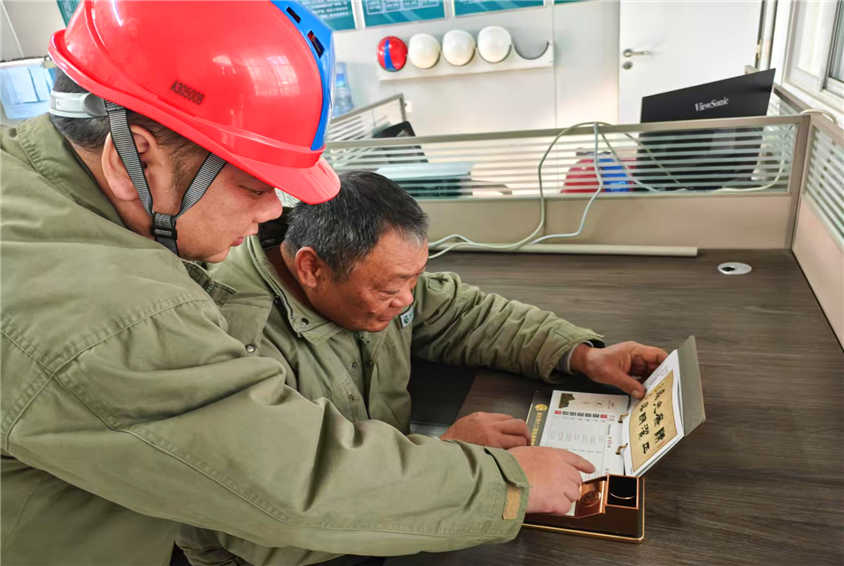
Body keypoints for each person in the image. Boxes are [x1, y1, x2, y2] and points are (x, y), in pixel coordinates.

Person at [1, 3, 629, 566]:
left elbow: (452, 310)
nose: (272, 212)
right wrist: (501, 483)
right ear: (133, 157)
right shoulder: (107, 307)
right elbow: (283, 487)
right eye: (253, 185)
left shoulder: (48, 199)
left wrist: (576, 352)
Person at [176, 171, 668, 565]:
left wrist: (580, 354)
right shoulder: (225, 340)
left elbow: (467, 315)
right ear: (311, 268)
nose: (406, 301)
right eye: (391, 289)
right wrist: (452, 458)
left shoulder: (368, 275)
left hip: (390, 501)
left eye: (414, 280)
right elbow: (283, 513)